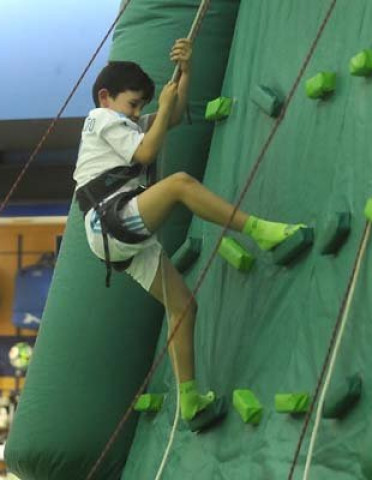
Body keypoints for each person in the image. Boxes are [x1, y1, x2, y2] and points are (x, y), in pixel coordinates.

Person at [74, 39, 303, 422]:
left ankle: (191, 400)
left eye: (141, 107)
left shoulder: (125, 121)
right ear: (105, 96)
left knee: (182, 307)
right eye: (132, 104)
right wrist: (161, 109)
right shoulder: (100, 119)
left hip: (117, 232)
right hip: (109, 219)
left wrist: (186, 70)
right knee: (180, 184)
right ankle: (261, 231)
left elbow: (174, 116)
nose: (138, 113)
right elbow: (146, 152)